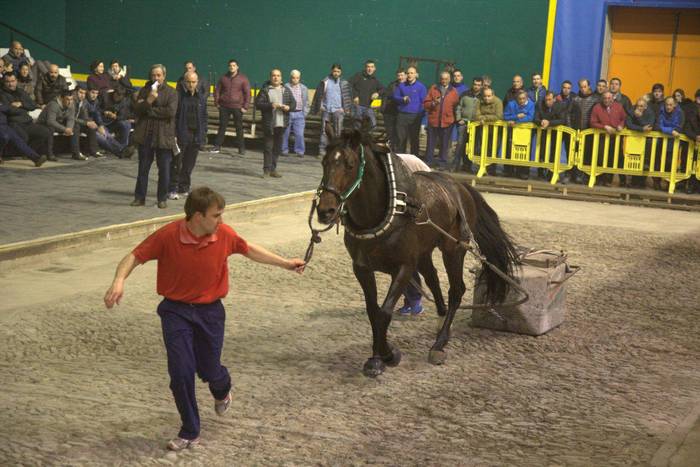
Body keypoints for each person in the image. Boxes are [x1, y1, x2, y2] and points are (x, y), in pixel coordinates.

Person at [103, 186, 305, 451]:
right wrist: (118, 281)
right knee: (180, 372)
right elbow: (134, 256)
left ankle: (221, 388)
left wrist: (285, 263)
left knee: (210, 370)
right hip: (175, 312)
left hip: (210, 313)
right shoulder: (168, 235)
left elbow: (248, 249)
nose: (220, 220)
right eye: (216, 215)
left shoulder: (224, 234)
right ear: (198, 216)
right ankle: (190, 430)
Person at [131, 64, 178, 209]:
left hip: (164, 137)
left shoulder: (172, 92)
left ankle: (162, 198)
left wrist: (149, 110)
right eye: (153, 75)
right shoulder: (145, 91)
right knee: (143, 169)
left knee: (164, 170)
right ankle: (139, 198)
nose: (155, 78)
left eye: (158, 75)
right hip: (146, 136)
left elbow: (170, 112)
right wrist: (149, 100)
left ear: (164, 76)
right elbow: (137, 110)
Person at [395, 153, 430, 316]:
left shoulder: (406, 165)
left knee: (406, 258)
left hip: (419, 199)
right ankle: (410, 300)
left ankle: (414, 300)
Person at [169, 71, 207, 199]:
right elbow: (174, 117)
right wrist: (174, 134)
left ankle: (184, 188)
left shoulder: (201, 97)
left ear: (197, 82)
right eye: (189, 82)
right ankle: (172, 188)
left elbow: (203, 117)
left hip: (196, 136)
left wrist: (203, 134)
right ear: (184, 82)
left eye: (194, 82)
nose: (191, 85)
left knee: (189, 164)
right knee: (176, 163)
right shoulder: (178, 96)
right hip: (181, 135)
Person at [0, 73, 52, 160]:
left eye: (12, 81)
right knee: (24, 137)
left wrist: (21, 104)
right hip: (14, 123)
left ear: (16, 81)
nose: (10, 84)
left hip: (28, 122)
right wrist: (23, 108)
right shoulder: (1, 94)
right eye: (7, 82)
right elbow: (9, 110)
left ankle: (29, 153)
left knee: (46, 131)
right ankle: (30, 154)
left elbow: (33, 105)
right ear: (3, 82)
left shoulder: (21, 92)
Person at [254, 69, 296, 178]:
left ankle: (273, 169)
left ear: (281, 78)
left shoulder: (286, 90)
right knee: (268, 147)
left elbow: (294, 104)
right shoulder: (265, 90)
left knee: (277, 148)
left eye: (278, 76)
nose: (276, 78)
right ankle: (266, 170)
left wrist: (288, 107)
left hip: (282, 125)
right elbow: (258, 104)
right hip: (269, 124)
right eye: (273, 75)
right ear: (270, 77)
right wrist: (270, 105)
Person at [311, 63, 352, 155]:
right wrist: (321, 105)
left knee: (338, 131)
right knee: (324, 131)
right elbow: (319, 94)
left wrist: (344, 109)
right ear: (331, 71)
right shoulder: (325, 81)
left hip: (338, 111)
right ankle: (322, 150)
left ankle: (337, 150)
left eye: (338, 71)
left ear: (341, 72)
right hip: (326, 110)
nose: (336, 73)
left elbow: (347, 97)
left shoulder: (344, 83)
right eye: (334, 71)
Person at [423, 71, 459, 169]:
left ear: (449, 79)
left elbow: (456, 106)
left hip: (447, 122)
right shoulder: (433, 89)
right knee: (431, 143)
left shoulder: (454, 91)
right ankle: (429, 162)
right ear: (440, 79)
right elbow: (426, 103)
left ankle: (442, 163)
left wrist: (454, 119)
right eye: (442, 79)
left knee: (444, 144)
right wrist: (433, 103)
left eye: (446, 79)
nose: (444, 81)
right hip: (434, 121)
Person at [213, 59, 250, 155]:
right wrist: (217, 103)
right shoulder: (223, 78)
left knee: (239, 128)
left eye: (234, 65)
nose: (232, 67)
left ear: (237, 67)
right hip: (224, 107)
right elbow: (217, 91)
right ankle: (217, 146)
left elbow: (247, 93)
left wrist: (245, 107)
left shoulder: (243, 78)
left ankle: (241, 148)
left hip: (237, 107)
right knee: (222, 127)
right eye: (230, 65)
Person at [36, 89, 84, 160]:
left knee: (76, 126)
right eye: (67, 99)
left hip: (58, 123)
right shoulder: (53, 105)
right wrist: (65, 129)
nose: (70, 102)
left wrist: (69, 128)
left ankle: (76, 153)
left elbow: (71, 118)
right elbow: (50, 121)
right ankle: (50, 154)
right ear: (61, 98)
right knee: (50, 128)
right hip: (43, 124)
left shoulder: (71, 104)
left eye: (71, 99)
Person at [392, 65, 427, 155]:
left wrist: (421, 117)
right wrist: (402, 99)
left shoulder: (421, 87)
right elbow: (395, 97)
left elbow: (424, 103)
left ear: (416, 75)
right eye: (408, 73)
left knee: (414, 139)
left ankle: (414, 159)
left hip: (415, 117)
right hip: (402, 116)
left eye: (412, 73)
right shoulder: (401, 86)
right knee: (401, 139)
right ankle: (400, 158)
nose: (409, 75)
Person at [0, 101, 46, 166]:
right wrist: (5, 107)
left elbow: (10, 110)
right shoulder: (2, 106)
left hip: (5, 126)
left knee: (19, 141)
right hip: (2, 127)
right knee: (4, 137)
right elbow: (7, 109)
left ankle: (36, 158)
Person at [282, 69, 309, 157]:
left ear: (299, 78)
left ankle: (300, 151)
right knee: (285, 132)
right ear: (291, 77)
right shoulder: (285, 87)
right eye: (293, 78)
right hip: (288, 113)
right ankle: (284, 150)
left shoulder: (304, 88)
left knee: (300, 134)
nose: (295, 80)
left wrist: (304, 113)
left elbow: (306, 102)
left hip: (299, 114)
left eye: (297, 78)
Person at [349, 59, 383, 128]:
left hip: (368, 107)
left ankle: (366, 138)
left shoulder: (375, 80)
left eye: (372, 67)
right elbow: (349, 84)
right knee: (357, 126)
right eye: (368, 67)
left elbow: (383, 89)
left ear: (374, 69)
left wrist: (377, 93)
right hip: (357, 106)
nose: (370, 69)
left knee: (373, 125)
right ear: (365, 68)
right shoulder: (359, 76)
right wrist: (355, 96)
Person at [380, 68, 406, 152]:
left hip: (401, 113)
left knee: (399, 133)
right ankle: (390, 150)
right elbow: (385, 96)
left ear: (405, 75)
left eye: (402, 75)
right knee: (390, 133)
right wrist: (383, 109)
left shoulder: (408, 86)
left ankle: (399, 151)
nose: (400, 77)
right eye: (398, 75)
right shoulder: (392, 85)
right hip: (390, 112)